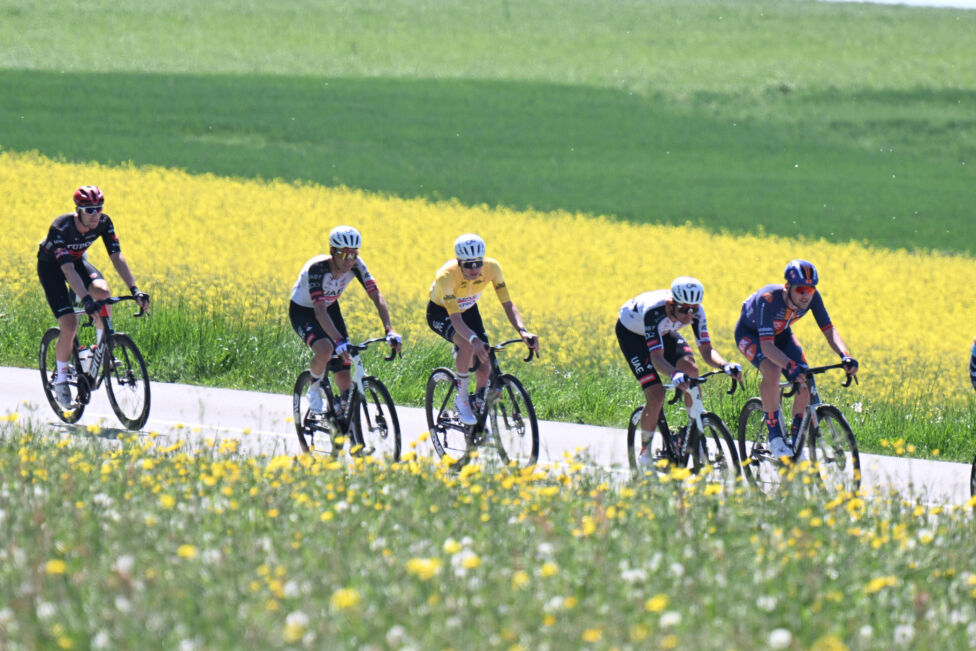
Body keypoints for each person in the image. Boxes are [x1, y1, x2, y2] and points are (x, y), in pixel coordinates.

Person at [37, 185, 151, 407]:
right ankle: (60, 379)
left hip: (76, 262)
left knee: (102, 292)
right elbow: (67, 271)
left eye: (98, 208)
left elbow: (116, 257)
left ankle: (100, 349)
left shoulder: (104, 223)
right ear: (78, 210)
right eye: (89, 210)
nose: (95, 214)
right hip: (52, 268)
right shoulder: (61, 227)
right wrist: (84, 298)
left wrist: (134, 290)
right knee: (69, 326)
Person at [734, 259, 858, 459]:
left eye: (810, 290)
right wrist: (789, 366)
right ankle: (775, 436)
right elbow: (767, 347)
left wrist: (845, 355)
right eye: (801, 290)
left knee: (806, 378)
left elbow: (829, 329)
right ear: (788, 287)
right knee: (773, 371)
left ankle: (795, 439)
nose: (806, 295)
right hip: (751, 335)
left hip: (781, 334)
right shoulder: (769, 298)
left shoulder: (813, 298)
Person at [616, 276, 742, 466]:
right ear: (671, 304)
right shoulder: (655, 311)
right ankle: (644, 452)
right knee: (656, 394)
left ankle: (696, 431)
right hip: (632, 335)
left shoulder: (695, 312)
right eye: (684, 310)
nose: (689, 315)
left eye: (694, 309)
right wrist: (674, 374)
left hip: (664, 331)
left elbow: (707, 351)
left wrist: (725, 365)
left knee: (691, 369)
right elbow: (656, 357)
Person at [427, 233, 539, 425]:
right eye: (468, 264)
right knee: (468, 345)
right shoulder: (446, 276)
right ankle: (461, 399)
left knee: (485, 361)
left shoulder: (492, 268)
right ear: (458, 262)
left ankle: (477, 401)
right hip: (442, 312)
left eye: (478, 263)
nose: (474, 269)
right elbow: (455, 318)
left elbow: (508, 304)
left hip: (469, 310)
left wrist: (522, 330)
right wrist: (472, 339)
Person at [290, 225, 402, 414]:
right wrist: (338, 340)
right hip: (304, 310)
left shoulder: (357, 264)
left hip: (330, 307)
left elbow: (376, 295)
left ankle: (343, 411)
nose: (349, 260)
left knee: (345, 359)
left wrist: (389, 329)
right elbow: (318, 310)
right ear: (332, 251)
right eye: (344, 255)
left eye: (353, 255)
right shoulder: (317, 269)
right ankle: (314, 388)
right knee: (326, 349)